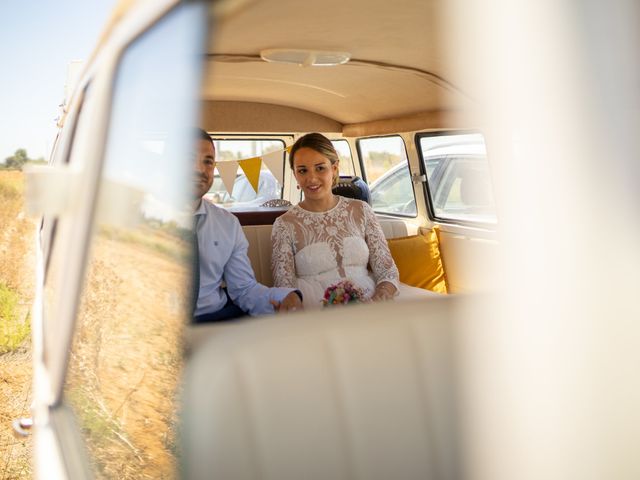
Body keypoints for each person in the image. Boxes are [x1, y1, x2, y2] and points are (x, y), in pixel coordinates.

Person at [271, 132, 399, 309]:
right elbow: (283, 285)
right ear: (295, 175)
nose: (312, 178)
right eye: (302, 170)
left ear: (335, 169)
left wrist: (380, 296)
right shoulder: (285, 224)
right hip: (315, 308)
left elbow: (387, 271)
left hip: (370, 304)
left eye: (320, 168)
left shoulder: (362, 211)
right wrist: (293, 303)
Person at [192, 128, 303, 322]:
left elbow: (243, 289)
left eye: (208, 162)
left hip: (216, 321)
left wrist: (285, 296)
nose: (200, 169)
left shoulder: (227, 224)